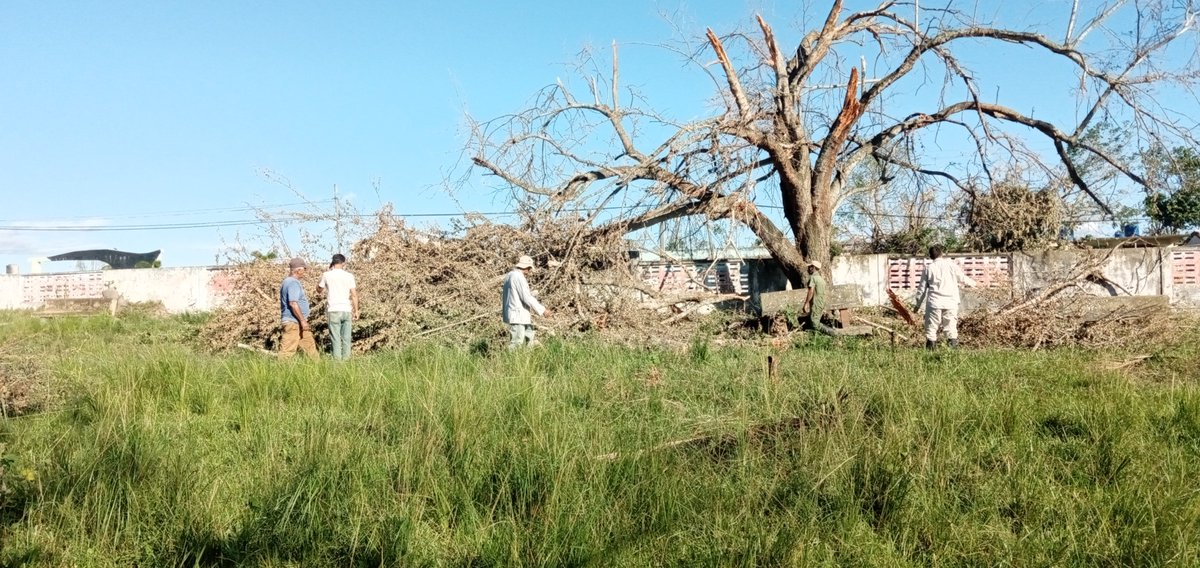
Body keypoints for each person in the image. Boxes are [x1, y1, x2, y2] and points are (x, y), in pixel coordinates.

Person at [914, 245, 977, 350]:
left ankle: (930, 353)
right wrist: (974, 284)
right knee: (951, 328)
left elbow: (922, 289)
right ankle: (952, 352)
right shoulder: (951, 265)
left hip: (934, 303)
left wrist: (917, 306)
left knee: (931, 329)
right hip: (951, 302)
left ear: (930, 256)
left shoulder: (928, 268)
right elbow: (962, 278)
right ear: (942, 254)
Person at [501, 255, 551, 348]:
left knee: (529, 337)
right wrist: (542, 310)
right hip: (517, 315)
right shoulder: (518, 277)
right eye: (529, 268)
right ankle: (512, 362)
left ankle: (528, 360)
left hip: (518, 314)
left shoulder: (510, 275)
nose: (530, 271)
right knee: (516, 343)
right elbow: (526, 297)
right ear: (527, 267)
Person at [318, 253, 359, 361]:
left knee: (335, 339)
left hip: (333, 310)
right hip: (346, 309)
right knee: (346, 338)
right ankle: (346, 361)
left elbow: (319, 290)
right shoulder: (349, 276)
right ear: (343, 263)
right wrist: (356, 311)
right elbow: (354, 295)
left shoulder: (326, 275)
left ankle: (337, 364)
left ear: (333, 262)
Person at [279, 257, 318, 359]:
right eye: (304, 269)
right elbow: (293, 303)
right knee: (287, 352)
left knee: (310, 348)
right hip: (293, 323)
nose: (304, 272)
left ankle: (319, 371)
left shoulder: (288, 281)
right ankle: (280, 373)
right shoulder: (292, 282)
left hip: (298, 323)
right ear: (298, 270)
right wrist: (303, 321)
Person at [801, 260, 836, 335]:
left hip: (816, 303)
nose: (808, 268)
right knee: (812, 321)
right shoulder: (821, 279)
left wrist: (806, 303)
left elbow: (811, 291)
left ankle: (832, 333)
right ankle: (816, 337)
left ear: (813, 268)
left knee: (814, 323)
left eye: (810, 267)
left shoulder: (813, 278)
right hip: (821, 303)